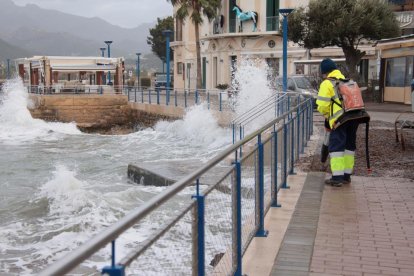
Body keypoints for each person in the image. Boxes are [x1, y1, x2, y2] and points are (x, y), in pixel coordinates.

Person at [316, 58, 362, 187]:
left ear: (325, 73)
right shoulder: (347, 81)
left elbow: (322, 105)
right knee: (349, 147)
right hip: (353, 118)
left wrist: (327, 118)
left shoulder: (327, 83)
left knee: (336, 148)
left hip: (339, 121)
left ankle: (337, 178)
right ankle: (347, 176)